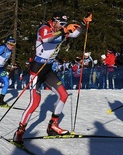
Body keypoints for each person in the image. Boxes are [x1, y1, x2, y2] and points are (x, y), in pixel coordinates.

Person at [12, 12, 91, 143]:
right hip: (37, 69)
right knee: (35, 103)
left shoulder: (61, 31)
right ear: (54, 21)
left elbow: (76, 33)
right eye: (61, 24)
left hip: (48, 69)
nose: (62, 26)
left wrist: (83, 23)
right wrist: (64, 30)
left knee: (63, 95)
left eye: (64, 24)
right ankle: (19, 132)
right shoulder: (44, 28)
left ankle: (52, 126)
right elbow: (46, 39)